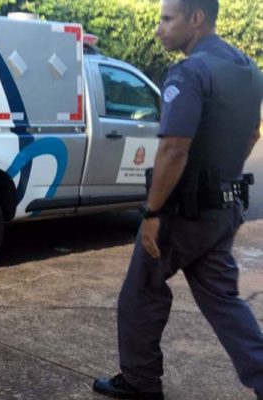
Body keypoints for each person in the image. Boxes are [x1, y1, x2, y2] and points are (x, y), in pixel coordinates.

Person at [93, 0, 263, 399]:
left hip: (181, 214)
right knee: (224, 302)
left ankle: (140, 381)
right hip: (224, 208)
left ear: (197, 19)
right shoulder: (249, 71)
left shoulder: (190, 72)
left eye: (168, 19)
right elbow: (253, 135)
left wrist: (152, 212)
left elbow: (174, 148)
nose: (159, 29)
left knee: (140, 292)